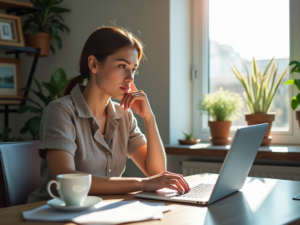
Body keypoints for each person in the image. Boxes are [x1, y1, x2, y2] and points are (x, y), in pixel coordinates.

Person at [27, 26, 190, 203]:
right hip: (55, 214)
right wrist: (141, 183)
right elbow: (66, 177)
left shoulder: (124, 115)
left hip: (101, 212)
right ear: (93, 64)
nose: (130, 78)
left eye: (133, 69)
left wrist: (148, 117)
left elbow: (157, 173)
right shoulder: (61, 111)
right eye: (122, 66)